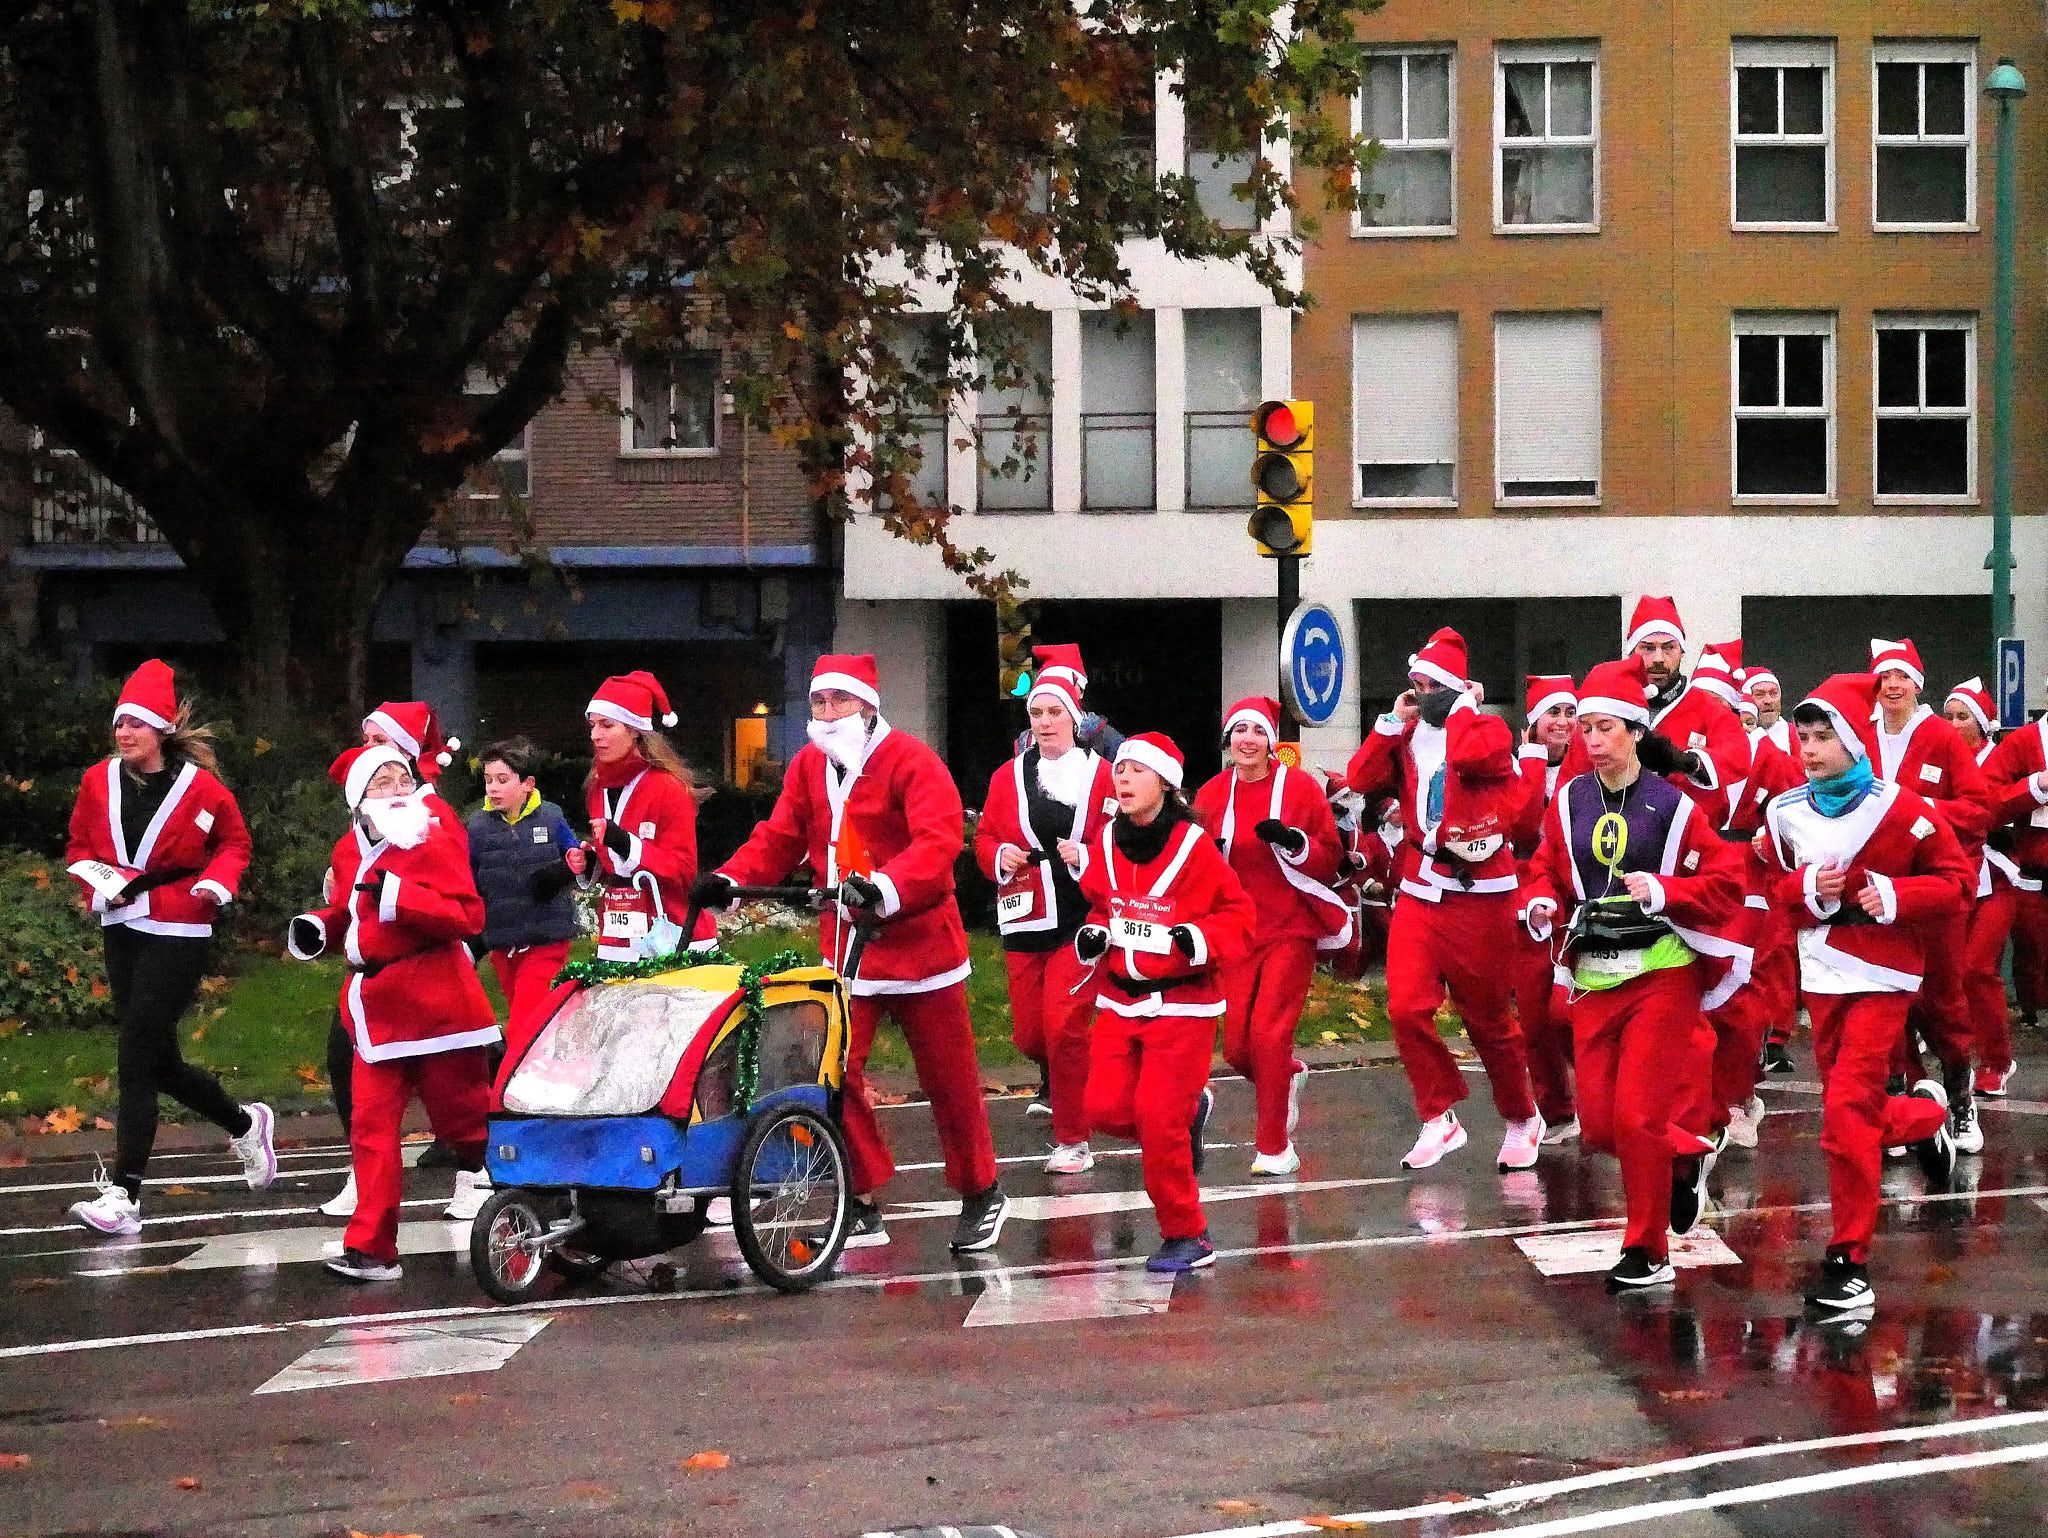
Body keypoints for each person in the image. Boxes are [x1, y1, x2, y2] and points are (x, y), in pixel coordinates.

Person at [697, 654, 1008, 1253]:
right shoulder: (809, 767)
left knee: (950, 1081)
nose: (828, 712)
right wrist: (730, 881)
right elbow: (779, 837)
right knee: (833, 1072)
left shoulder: (913, 762)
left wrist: (886, 886)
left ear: (868, 706)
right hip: (847, 949)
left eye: (840, 701)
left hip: (921, 948)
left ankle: (981, 1191)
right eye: (819, 702)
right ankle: (861, 1194)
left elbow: (938, 841)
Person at [1521, 657, 1747, 1292]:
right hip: (1595, 974)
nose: (1591, 739)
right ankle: (1682, 1161)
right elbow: (1546, 869)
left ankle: (1647, 1249)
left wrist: (1665, 889)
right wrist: (1540, 901)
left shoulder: (1673, 805)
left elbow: (1725, 883)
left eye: (1605, 728)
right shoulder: (1567, 802)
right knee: (1598, 1126)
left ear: (1636, 731)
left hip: (1662, 975)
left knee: (1638, 1117)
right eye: (1585, 727)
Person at [1761, 673, 1968, 1315]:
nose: (1811, 749)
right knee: (1856, 1112)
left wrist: (1899, 896)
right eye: (1804, 737)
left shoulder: (1904, 809)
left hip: (1883, 978)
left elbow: (1956, 882)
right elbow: (1772, 886)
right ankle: (1929, 1118)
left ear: (1854, 740)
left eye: (1825, 737)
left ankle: (1849, 1261)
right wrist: (1809, 891)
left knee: (1845, 1115)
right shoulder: (1784, 811)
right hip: (1820, 975)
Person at [63, 661, 274, 1236]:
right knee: (158, 1059)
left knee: (135, 1052)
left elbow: (234, 842)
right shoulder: (96, 781)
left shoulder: (201, 788)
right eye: (119, 723)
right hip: (122, 922)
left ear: (160, 729)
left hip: (180, 927)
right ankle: (243, 1123)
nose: (125, 733)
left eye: (136, 723)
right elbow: (79, 844)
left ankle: (124, 1194)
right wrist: (94, 886)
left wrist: (218, 882)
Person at [289, 745, 500, 1280]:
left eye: (402, 780)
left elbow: (468, 915)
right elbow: (350, 912)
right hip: (375, 1009)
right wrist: (322, 926)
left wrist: (399, 896)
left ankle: (525, 1192)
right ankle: (371, 1248)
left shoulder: (435, 836)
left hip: (438, 1007)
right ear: (358, 800)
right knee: (371, 1128)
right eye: (381, 784)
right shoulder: (346, 849)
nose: (397, 792)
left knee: (465, 1123)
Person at [1345, 627, 1544, 1171]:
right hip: (1419, 886)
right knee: (1406, 1007)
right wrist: (1391, 721)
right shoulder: (1406, 739)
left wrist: (1459, 708)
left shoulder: (1486, 729)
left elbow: (1476, 756)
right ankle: (1438, 1116)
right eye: (1415, 683)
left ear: (1454, 689)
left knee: (1487, 1020)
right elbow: (1362, 779)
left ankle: (1522, 1114)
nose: (1419, 692)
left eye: (1429, 684)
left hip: (1481, 894)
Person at [1075, 733, 1256, 1271]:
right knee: (1102, 1108)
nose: (1122, 778)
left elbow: (1240, 917)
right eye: (1120, 769)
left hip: (1182, 1007)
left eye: (1135, 770)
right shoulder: (1106, 842)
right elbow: (1103, 910)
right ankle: (1186, 1117)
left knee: (1157, 1121)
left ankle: (1189, 1235)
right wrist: (1094, 936)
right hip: (1118, 1001)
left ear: (1165, 784)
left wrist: (1197, 940)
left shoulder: (1195, 848)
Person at [973, 648, 1117, 1173]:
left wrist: (1092, 852)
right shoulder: (1005, 777)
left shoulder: (1104, 775)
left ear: (1074, 718)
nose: (1045, 722)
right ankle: (1095, 1067)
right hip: (1025, 915)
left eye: (1055, 712)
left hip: (1082, 917)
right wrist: (997, 855)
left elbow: (1126, 837)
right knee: (1031, 1036)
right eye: (1037, 713)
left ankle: (1073, 1140)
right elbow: (985, 837)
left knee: (1063, 1029)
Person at [323, 699, 468, 1216]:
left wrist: (396, 899)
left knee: (454, 1095)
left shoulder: (426, 816)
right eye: (364, 742)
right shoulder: (362, 824)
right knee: (358, 1074)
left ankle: (482, 1171)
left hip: (430, 973)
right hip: (375, 984)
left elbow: (461, 902)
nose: (363, 750)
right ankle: (368, 1188)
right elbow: (351, 896)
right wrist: (328, 920)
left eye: (376, 743)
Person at [1193, 697, 1349, 1175]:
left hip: (1291, 927)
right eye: (1239, 731)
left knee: (1268, 1036)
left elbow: (1330, 855)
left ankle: (1275, 1147)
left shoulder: (1300, 789)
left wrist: (1293, 841)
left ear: (1270, 743)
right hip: (1238, 931)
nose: (1247, 740)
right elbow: (1191, 859)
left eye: (1257, 733)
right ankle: (1289, 1075)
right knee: (1237, 1048)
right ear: (1228, 740)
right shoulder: (1212, 794)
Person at [1867, 638, 1994, 1155]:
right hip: (1877, 892)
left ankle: (1961, 1102)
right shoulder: (1859, 737)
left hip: (1934, 893)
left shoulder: (1941, 736)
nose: (1892, 686)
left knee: (1944, 1000)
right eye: (1884, 677)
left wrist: (1921, 809)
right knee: (1885, 999)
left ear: (1918, 685)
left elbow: (1980, 807)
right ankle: (1898, 1106)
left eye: (1902, 677)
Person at [1558, 597, 1752, 829]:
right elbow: (1570, 784)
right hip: (1615, 842)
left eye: (1668, 647)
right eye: (1648, 648)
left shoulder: (1707, 708)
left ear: (1681, 652)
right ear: (1632, 652)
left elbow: (1739, 758)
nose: (1658, 658)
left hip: (1690, 843)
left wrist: (1688, 762)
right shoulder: (1603, 712)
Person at [582, 671, 717, 963]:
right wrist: (590, 861)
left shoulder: (668, 788)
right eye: (592, 725)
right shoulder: (596, 786)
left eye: (607, 725)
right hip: (618, 934)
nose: (595, 735)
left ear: (634, 730)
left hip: (672, 932)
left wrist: (623, 842)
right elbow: (614, 863)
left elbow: (682, 870)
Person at [467, 738, 581, 1063]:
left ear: (527, 784)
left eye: (503, 780)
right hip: (503, 943)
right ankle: (557, 1071)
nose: (493, 788)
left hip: (547, 938)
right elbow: (465, 878)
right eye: (488, 780)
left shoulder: (552, 818)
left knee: (522, 1026)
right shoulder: (476, 828)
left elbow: (576, 857)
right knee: (536, 1020)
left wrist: (568, 866)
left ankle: (506, 1098)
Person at [1945, 678, 2031, 1098]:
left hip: (1998, 875)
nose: (1955, 724)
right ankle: (1958, 1057)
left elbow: (1997, 805)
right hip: (1953, 877)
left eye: (1963, 717)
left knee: (1978, 969)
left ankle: (1997, 1060)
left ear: (1982, 724)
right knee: (1949, 974)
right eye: (1950, 717)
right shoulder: (1942, 760)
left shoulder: (2000, 756)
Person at [1511, 674, 1580, 1142]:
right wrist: (1533, 760)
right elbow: (1519, 828)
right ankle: (1557, 1113)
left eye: (1569, 713)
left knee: (1569, 1012)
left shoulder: (1590, 767)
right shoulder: (1516, 769)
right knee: (1535, 1016)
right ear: (1533, 722)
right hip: (1525, 905)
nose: (1562, 723)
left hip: (1575, 901)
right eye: (1551, 714)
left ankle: (1601, 1092)